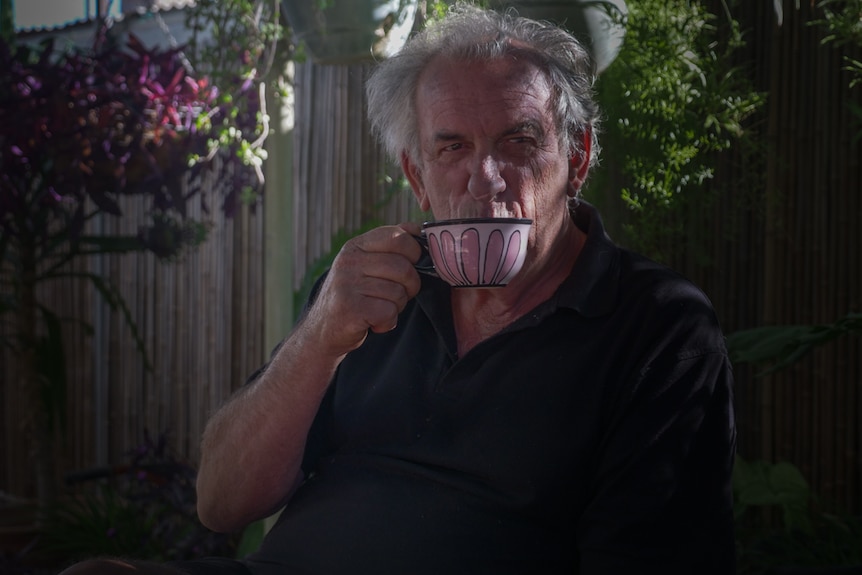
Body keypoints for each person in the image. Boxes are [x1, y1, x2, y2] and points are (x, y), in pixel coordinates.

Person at [61, 3, 736, 574]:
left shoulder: (657, 327)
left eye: (519, 140)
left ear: (577, 158)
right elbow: (221, 501)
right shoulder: (370, 290)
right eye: (452, 148)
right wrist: (320, 338)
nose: (486, 176)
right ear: (418, 177)